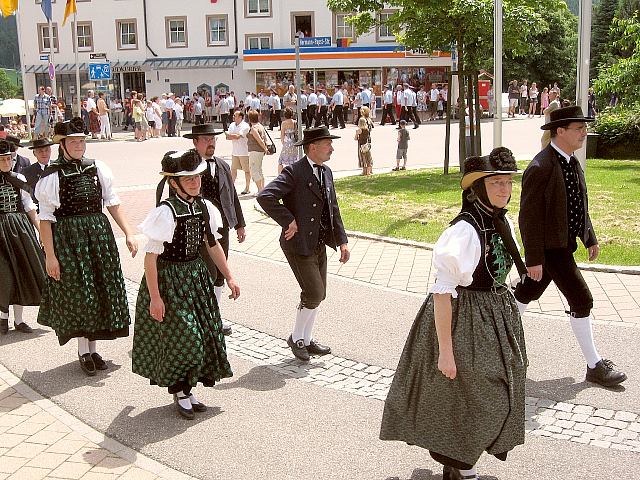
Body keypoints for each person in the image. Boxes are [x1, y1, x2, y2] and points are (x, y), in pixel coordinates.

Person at [380, 148, 528, 480]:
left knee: (496, 392)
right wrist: (445, 351)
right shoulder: (464, 232)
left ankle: (456, 463)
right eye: (497, 184)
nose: (504, 190)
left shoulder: (500, 220)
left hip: (495, 316)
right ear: (478, 189)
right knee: (480, 398)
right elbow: (442, 294)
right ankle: (464, 467)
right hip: (464, 320)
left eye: (507, 183)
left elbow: (502, 268)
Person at [513, 106, 627, 388]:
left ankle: (493, 343)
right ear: (559, 131)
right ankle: (595, 365)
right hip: (551, 251)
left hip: (563, 246)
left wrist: (590, 237)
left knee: (526, 293)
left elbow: (578, 203)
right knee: (582, 300)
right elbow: (528, 218)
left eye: (584, 128)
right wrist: (535, 259)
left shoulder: (571, 161)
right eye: (578, 128)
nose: (583, 133)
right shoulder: (541, 167)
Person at [132, 150, 239, 419]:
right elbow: (150, 259)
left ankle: (186, 391)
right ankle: (180, 392)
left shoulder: (204, 207)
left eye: (196, 177)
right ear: (173, 182)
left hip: (195, 277)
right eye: (187, 179)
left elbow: (212, 245)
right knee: (185, 338)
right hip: (169, 281)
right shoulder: (165, 213)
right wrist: (155, 298)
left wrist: (229, 276)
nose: (195, 182)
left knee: (202, 335)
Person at [35, 118, 138, 375]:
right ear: (62, 145)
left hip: (99, 238)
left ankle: (92, 348)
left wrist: (128, 232)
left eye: (81, 140)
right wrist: (50, 256)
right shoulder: (52, 176)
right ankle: (84, 350)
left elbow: (112, 202)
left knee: (99, 290)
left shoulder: (97, 168)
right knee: (82, 293)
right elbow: (46, 219)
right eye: (73, 141)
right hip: (70, 241)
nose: (79, 145)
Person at [257, 127, 350, 362]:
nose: (331, 147)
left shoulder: (326, 172)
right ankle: (296, 338)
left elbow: (333, 209)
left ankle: (307, 340)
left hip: (318, 243)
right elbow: (265, 196)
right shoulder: (294, 172)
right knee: (314, 292)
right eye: (327, 143)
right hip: (298, 244)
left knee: (319, 294)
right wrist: (289, 220)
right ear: (312, 147)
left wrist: (342, 241)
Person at [185, 123, 246, 336]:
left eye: (213, 139)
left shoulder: (222, 165)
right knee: (205, 274)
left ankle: (215, 316)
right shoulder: (187, 165)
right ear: (195, 142)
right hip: (198, 228)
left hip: (222, 227)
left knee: (220, 272)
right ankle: (200, 318)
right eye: (206, 139)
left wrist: (239, 223)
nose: (211, 143)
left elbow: (232, 195)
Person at [0, 140, 46, 335]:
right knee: (4, 274)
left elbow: (29, 206)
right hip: (0, 231)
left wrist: (41, 231)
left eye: (8, 159)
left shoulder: (19, 178)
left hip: (20, 230)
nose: (6, 163)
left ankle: (19, 320)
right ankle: (3, 317)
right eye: (2, 160)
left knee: (22, 271)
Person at [226, 110, 252, 195]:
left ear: (240, 117)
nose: (233, 117)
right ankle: (231, 187)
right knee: (233, 170)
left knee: (247, 170)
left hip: (244, 152)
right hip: (235, 152)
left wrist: (232, 135)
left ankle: (247, 188)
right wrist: (233, 136)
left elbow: (237, 137)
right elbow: (227, 137)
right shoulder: (232, 125)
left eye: (235, 116)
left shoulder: (245, 126)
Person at [23, 138, 53, 205]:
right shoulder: (27, 172)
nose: (44, 153)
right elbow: (26, 194)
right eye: (40, 151)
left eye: (46, 150)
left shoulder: (58, 167)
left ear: (50, 151)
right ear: (34, 153)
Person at [247, 110, 270, 192]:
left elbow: (259, 140)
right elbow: (265, 138)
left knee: (254, 170)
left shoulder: (254, 128)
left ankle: (260, 190)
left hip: (255, 151)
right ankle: (262, 188)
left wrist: (265, 148)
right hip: (260, 152)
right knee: (259, 169)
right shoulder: (260, 126)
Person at [278, 107, 298, 174]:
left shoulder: (284, 123)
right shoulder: (295, 122)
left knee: (281, 160)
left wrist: (283, 142)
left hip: (287, 142)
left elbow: (282, 134)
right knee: (294, 159)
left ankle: (280, 175)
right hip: (294, 142)